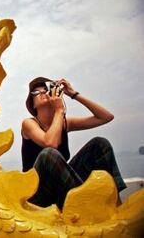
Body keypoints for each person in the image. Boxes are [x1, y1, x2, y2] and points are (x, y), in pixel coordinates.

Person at [21, 77, 126, 209]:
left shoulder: (65, 123)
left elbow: (106, 117)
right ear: (33, 105)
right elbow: (50, 143)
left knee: (99, 144)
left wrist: (74, 94)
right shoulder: (29, 124)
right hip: (37, 195)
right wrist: (59, 110)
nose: (42, 93)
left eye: (46, 89)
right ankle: (88, 205)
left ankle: (116, 205)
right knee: (49, 154)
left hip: (62, 190)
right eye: (36, 92)